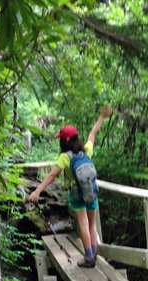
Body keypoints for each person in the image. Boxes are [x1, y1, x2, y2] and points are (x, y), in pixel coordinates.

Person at [29, 105, 112, 267]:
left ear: (64, 141)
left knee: (83, 223)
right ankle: (94, 254)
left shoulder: (65, 157)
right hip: (91, 189)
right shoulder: (86, 151)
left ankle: (88, 257)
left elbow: (52, 175)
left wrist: (37, 191)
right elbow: (93, 134)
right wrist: (101, 117)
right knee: (92, 223)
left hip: (76, 194)